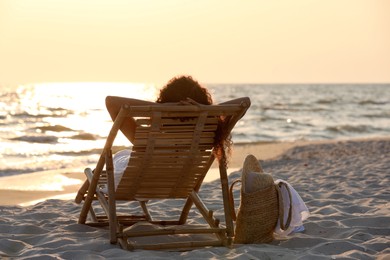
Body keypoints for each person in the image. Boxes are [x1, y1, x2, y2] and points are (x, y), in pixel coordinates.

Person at [104, 75, 249, 190]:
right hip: (182, 184)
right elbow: (244, 102)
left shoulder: (149, 140)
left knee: (120, 157)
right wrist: (203, 110)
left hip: (136, 183)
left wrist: (160, 108)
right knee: (124, 155)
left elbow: (111, 102)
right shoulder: (206, 134)